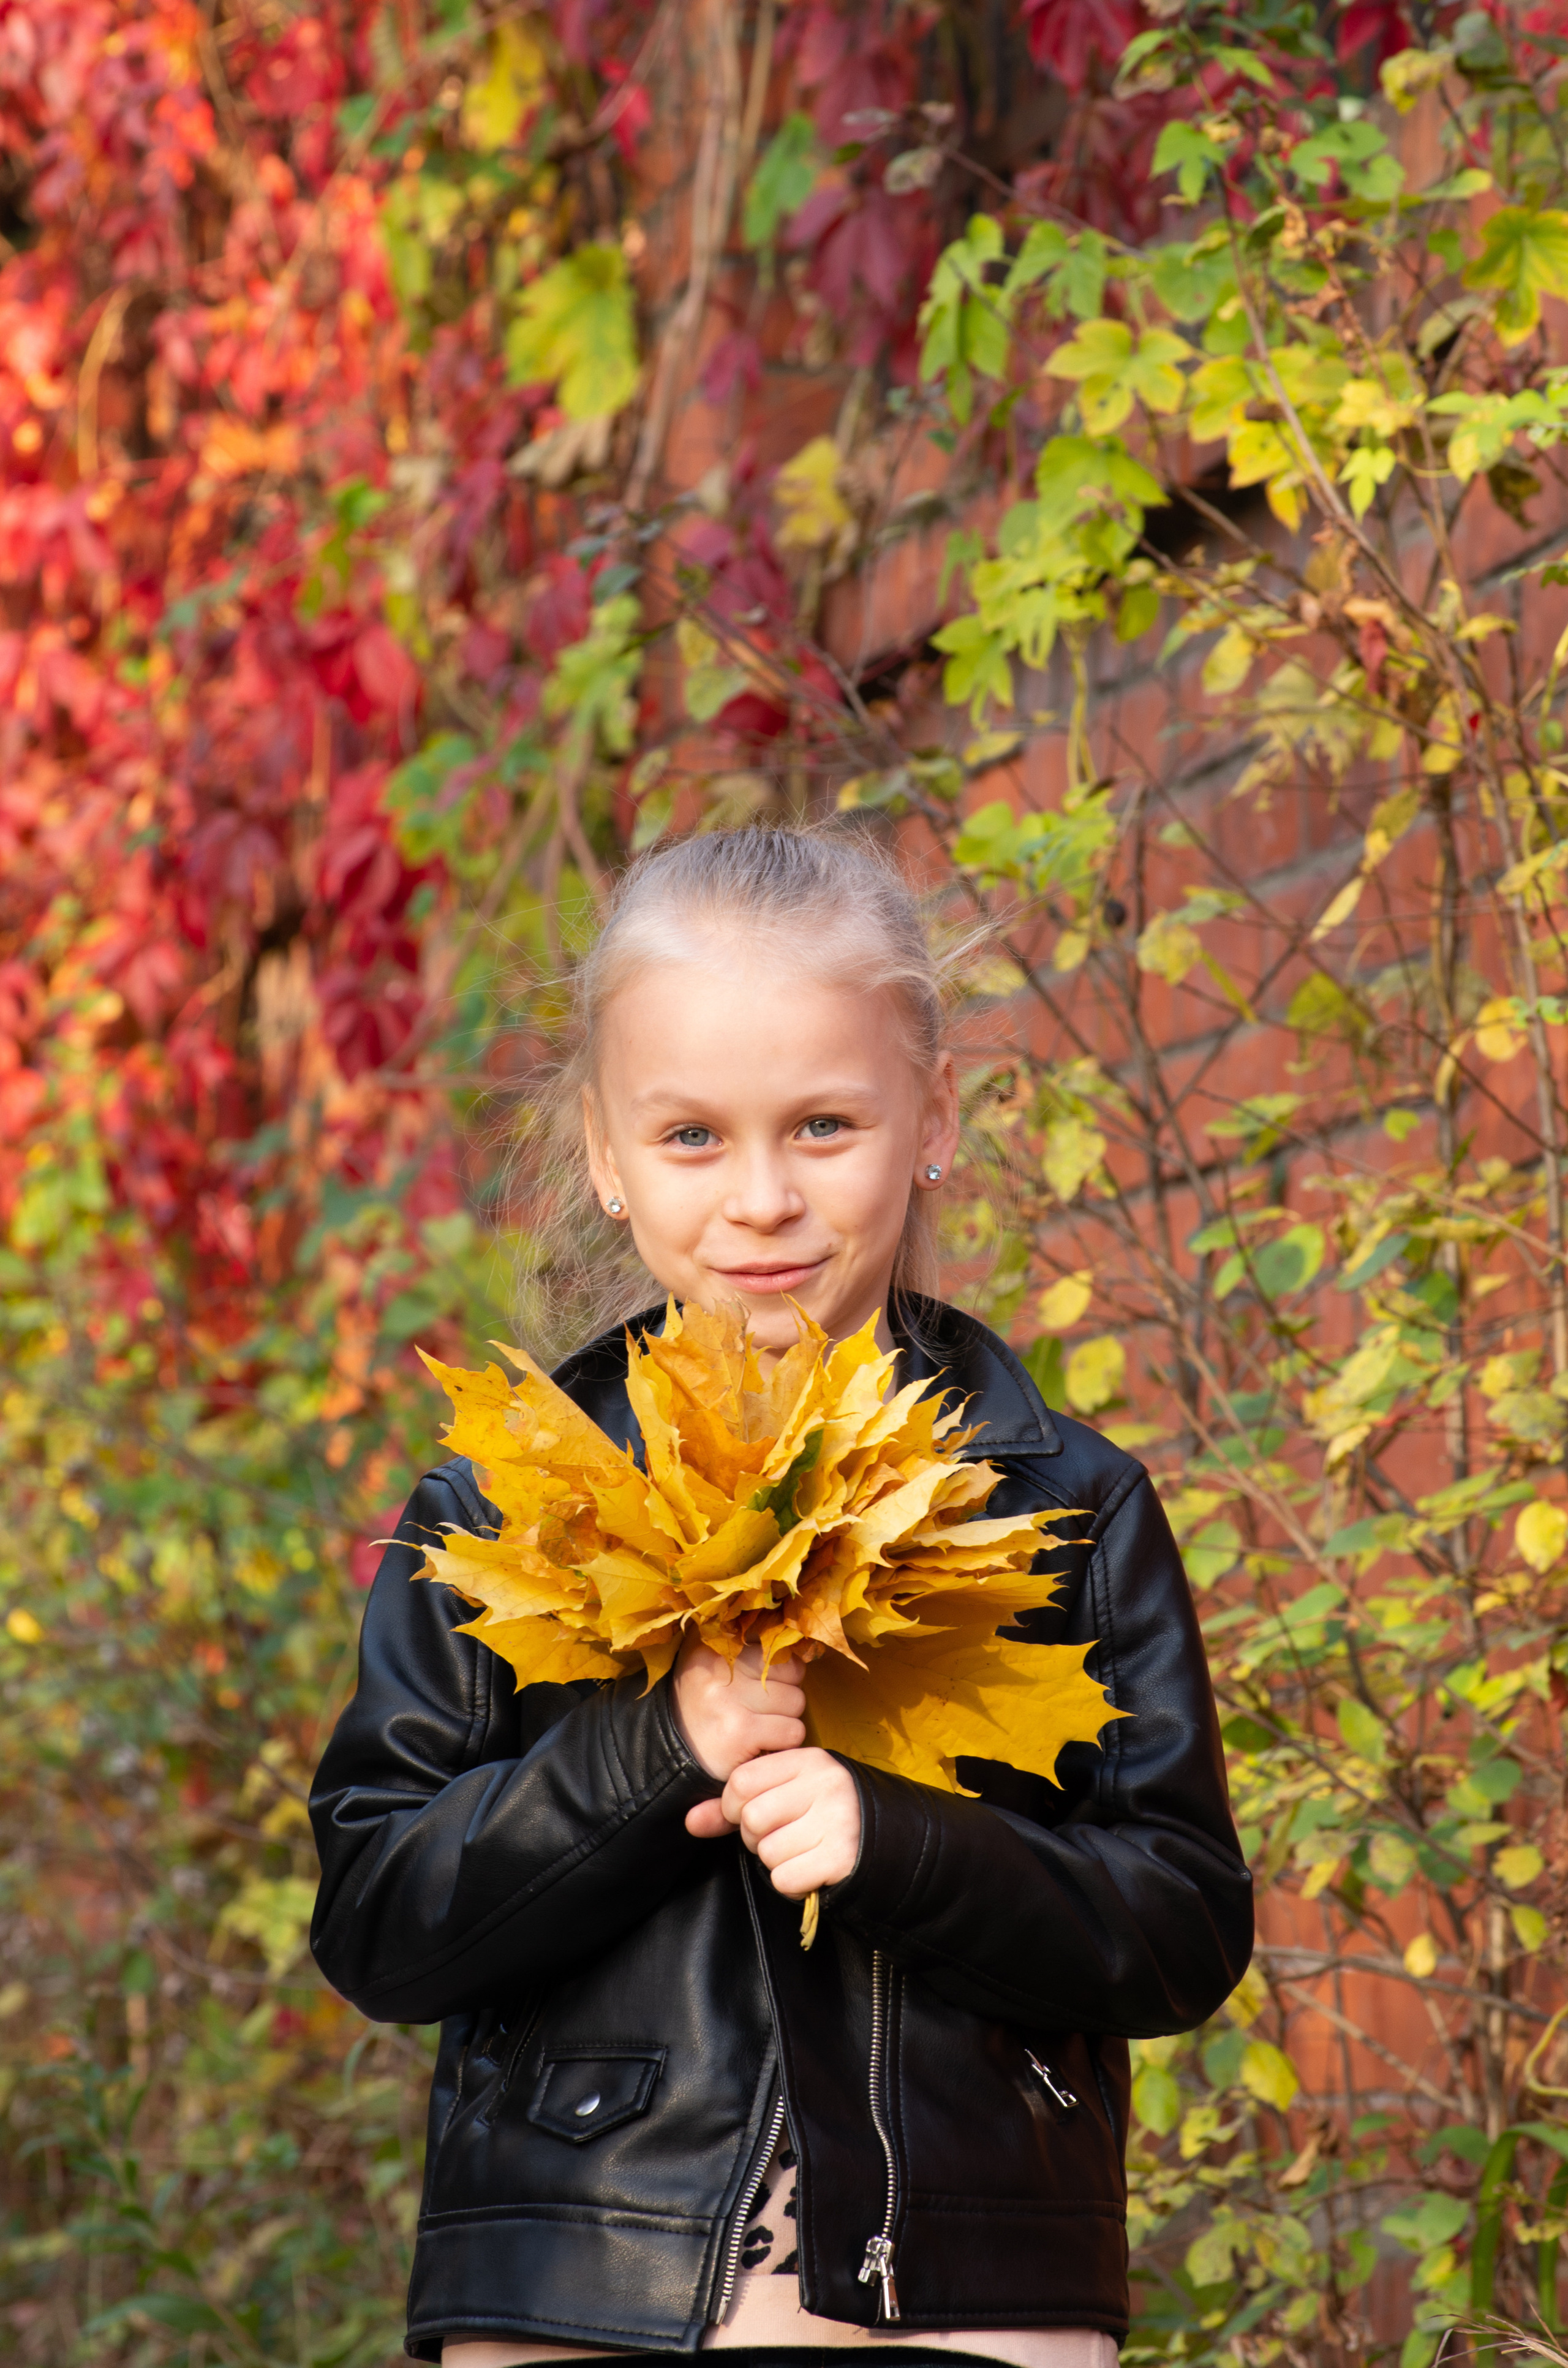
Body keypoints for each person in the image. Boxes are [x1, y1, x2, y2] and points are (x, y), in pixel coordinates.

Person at [309, 825, 1253, 2368]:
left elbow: (1181, 1924)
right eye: (691, 1135)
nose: (760, 1198)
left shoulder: (1063, 1507)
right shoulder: (496, 1509)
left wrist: (904, 1845)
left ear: (929, 1119)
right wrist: (653, 1754)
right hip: (578, 2296)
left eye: (822, 1124)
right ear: (604, 1153)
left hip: (975, 2300)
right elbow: (378, 1923)